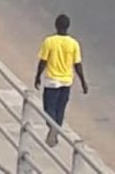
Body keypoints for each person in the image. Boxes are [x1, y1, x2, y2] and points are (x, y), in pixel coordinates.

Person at [34, 14, 88, 146]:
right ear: (68, 26)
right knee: (60, 109)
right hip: (66, 81)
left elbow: (43, 61)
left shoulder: (49, 41)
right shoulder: (73, 44)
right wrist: (83, 82)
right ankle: (56, 130)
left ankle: (52, 127)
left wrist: (37, 76)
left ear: (56, 25)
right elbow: (77, 65)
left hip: (52, 80)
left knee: (49, 108)